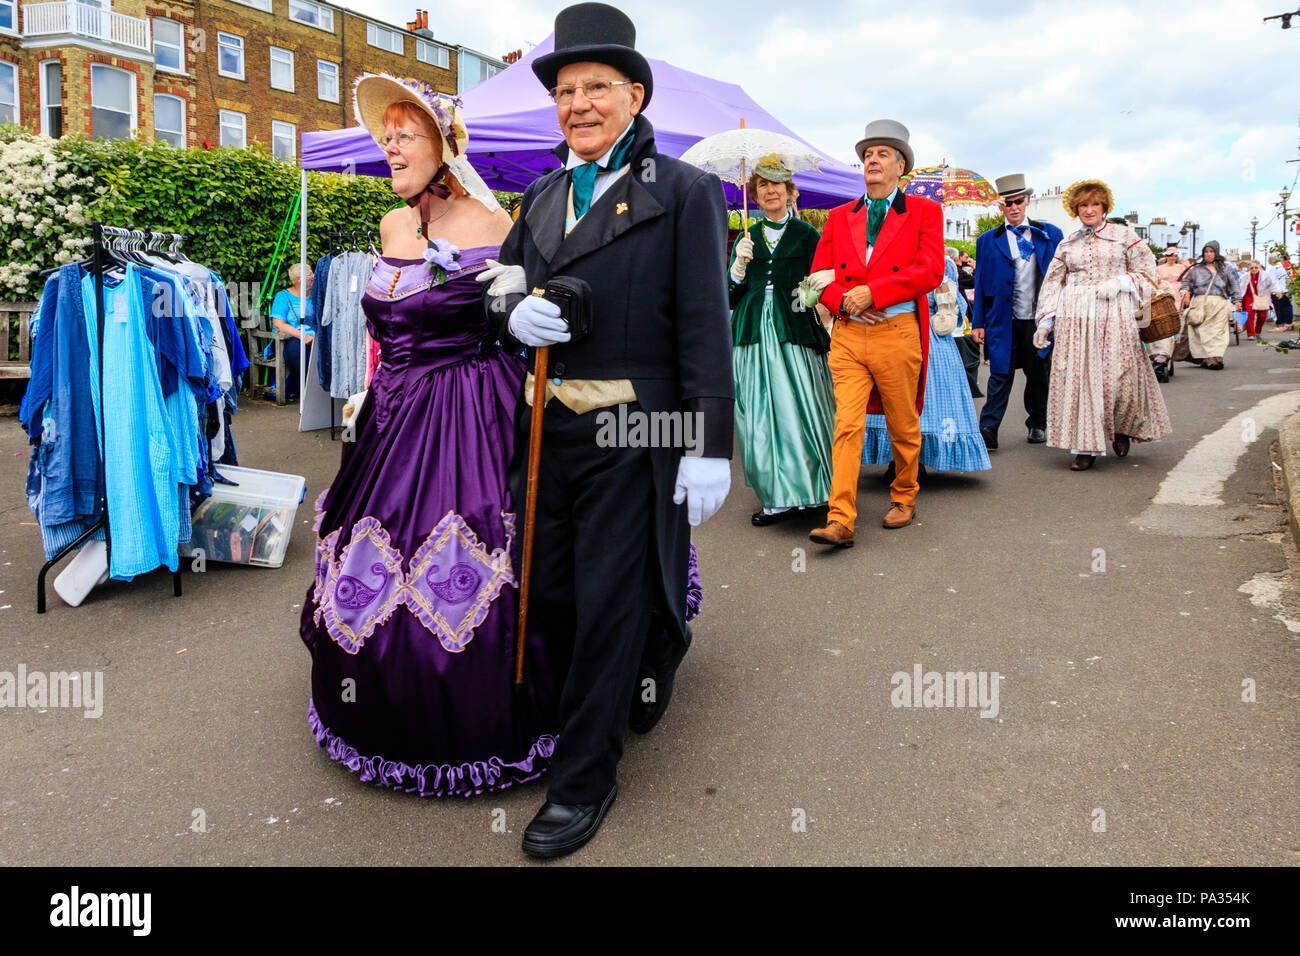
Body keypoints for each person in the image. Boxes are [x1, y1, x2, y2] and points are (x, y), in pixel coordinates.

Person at [486, 2, 734, 858]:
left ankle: (583, 777)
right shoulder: (543, 192)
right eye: (565, 90)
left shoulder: (687, 191)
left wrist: (707, 447)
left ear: (634, 95)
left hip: (641, 427)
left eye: (596, 87)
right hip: (548, 430)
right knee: (549, 590)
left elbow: (706, 326)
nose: (578, 103)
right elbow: (500, 282)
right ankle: (646, 658)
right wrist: (513, 312)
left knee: (606, 601)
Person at [298, 75, 564, 798]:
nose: (390, 146)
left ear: (445, 147)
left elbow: (520, 322)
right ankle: (374, 709)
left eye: (405, 134)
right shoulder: (389, 226)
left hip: (470, 413)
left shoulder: (496, 225)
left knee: (471, 554)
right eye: (386, 135)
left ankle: (483, 722)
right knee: (367, 553)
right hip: (389, 415)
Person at [807, 119, 944, 547]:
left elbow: (931, 270)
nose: (872, 160)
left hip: (896, 330)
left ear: (901, 167)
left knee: (903, 423)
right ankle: (840, 517)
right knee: (846, 425)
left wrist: (874, 294)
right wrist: (841, 300)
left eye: (883, 154)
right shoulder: (839, 216)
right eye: (867, 155)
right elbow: (816, 277)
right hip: (848, 335)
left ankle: (904, 495)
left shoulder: (925, 212)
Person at [1032, 179, 1171, 470]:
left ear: (1104, 207)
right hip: (1076, 320)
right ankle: (1085, 446)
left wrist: (1122, 281)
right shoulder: (1068, 243)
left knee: (1118, 379)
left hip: (1115, 315)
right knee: (1081, 381)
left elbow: (1148, 272)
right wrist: (1046, 321)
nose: (1089, 209)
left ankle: (1121, 428)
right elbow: (1053, 282)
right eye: (1083, 205)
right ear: (1076, 209)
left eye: (1095, 204)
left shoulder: (1124, 236)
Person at [727, 157, 833, 526]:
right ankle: (775, 497)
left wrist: (810, 293)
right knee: (759, 415)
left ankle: (814, 491)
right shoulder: (746, 237)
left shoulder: (808, 235)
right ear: (755, 194)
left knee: (802, 409)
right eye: (762, 186)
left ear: (790, 193)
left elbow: (817, 287)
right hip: (752, 334)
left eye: (777, 185)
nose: (770, 191)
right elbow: (728, 295)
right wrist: (738, 269)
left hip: (794, 329)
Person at [861, 245, 991, 478]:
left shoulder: (944, 266)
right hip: (896, 330)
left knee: (928, 398)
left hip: (932, 339)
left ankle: (918, 458)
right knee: (896, 396)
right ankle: (896, 458)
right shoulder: (889, 258)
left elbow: (957, 308)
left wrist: (946, 297)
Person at [970, 173, 1064, 450]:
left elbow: (1059, 276)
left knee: (1038, 373)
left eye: (1018, 201)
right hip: (1002, 319)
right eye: (1007, 203)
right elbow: (980, 281)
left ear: (1027, 201)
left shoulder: (1049, 234)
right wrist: (979, 322)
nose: (1013, 207)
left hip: (1039, 319)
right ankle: (988, 428)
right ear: (1001, 207)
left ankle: (1038, 423)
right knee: (1000, 373)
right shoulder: (988, 240)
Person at [1178, 240, 1242, 370]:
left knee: (1217, 332)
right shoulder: (1196, 270)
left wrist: (1237, 300)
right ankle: (1208, 358)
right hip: (1200, 302)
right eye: (1206, 252)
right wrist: (1184, 290)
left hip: (1219, 302)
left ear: (1216, 253)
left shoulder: (1226, 269)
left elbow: (1235, 285)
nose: (1208, 254)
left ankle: (1216, 357)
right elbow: (1186, 283)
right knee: (1202, 332)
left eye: (1211, 251)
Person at [267, 263, 315, 402]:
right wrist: (303, 336)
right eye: (310, 274)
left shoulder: (316, 295)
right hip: (290, 339)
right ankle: (309, 392)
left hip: (316, 337)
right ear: (299, 279)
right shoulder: (283, 296)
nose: (313, 276)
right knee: (299, 351)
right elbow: (279, 324)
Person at [1151, 243, 1188, 381]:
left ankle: (1165, 351)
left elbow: (1186, 281)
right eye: (1170, 255)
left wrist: (1186, 294)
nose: (1172, 257)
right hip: (1154, 298)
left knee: (1172, 320)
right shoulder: (1158, 269)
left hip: (1173, 295)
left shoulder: (1181, 268)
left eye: (1174, 255)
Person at [949, 247, 982, 397]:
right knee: (962, 355)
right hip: (956, 322)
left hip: (951, 321)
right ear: (956, 258)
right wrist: (975, 268)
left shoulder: (950, 268)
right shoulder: (952, 268)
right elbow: (974, 282)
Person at [1243, 260, 1278, 339]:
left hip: (1262, 297)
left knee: (1263, 316)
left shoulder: (1265, 275)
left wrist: (1275, 291)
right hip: (1249, 297)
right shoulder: (1245, 276)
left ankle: (1258, 331)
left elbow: (1273, 283)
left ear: (1259, 267)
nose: (1254, 269)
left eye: (1256, 267)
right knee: (1249, 316)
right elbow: (1240, 287)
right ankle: (1251, 334)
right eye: (1252, 268)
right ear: (1249, 268)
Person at [1268, 255, 1294, 327]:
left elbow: (1271, 281)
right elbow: (1287, 279)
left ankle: (1281, 322)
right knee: (1287, 306)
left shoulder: (1272, 269)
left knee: (1278, 308)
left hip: (1276, 291)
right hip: (1284, 289)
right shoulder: (1282, 267)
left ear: (1271, 260)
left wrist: (1271, 290)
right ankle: (1288, 321)